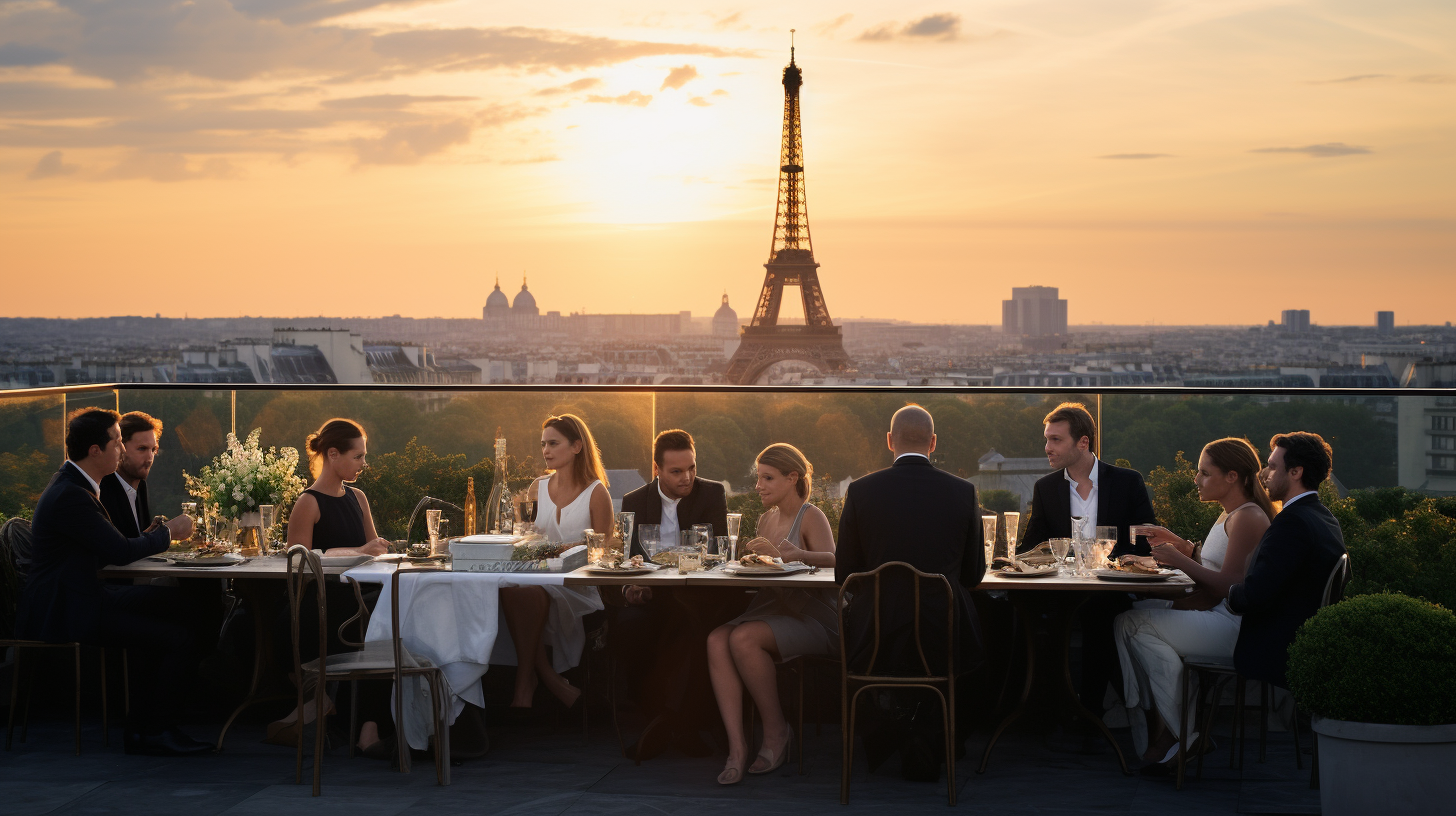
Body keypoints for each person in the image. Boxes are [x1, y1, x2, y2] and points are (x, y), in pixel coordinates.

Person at [16, 407, 206, 756]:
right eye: (118, 442)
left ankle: (148, 723)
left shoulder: (76, 486)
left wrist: (147, 537)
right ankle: (153, 730)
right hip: (68, 609)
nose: (121, 450)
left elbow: (103, 549)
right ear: (95, 450)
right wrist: (168, 533)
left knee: (183, 606)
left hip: (83, 596)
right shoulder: (73, 495)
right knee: (176, 637)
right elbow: (119, 551)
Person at [835, 404, 987, 781]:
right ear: (933, 442)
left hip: (876, 638)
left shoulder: (860, 491)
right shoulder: (963, 492)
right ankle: (935, 736)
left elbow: (845, 574)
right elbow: (973, 573)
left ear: (890, 441)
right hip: (940, 636)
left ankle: (896, 728)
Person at [1112, 438, 1275, 765]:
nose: (1196, 480)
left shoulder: (1249, 517)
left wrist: (1179, 560)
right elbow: (1218, 565)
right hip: (1218, 616)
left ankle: (1170, 728)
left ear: (1231, 476)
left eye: (1204, 473)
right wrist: (1182, 546)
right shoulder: (1230, 514)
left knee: (1130, 624)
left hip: (1233, 628)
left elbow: (1228, 587)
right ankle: (1172, 727)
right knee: (1131, 616)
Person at [1020, 402, 1158, 721]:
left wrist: (1122, 559)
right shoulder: (1046, 488)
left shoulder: (1127, 482)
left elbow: (1145, 538)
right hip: (1061, 592)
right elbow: (1033, 546)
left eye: (1056, 440)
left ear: (1083, 442)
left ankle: (1089, 714)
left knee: (1100, 613)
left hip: (1112, 590)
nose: (1047, 447)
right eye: (1047, 439)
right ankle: (1049, 711)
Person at [708, 443, 837, 785]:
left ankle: (777, 732)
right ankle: (737, 748)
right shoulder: (766, 519)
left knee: (743, 638)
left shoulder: (811, 515)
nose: (758, 486)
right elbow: (767, 571)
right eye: (758, 478)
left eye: (767, 478)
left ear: (792, 477)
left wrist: (796, 554)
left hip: (815, 617)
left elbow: (837, 562)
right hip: (773, 608)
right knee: (716, 639)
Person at [272, 418, 393, 756]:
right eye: (358, 457)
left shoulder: (358, 498)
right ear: (333, 454)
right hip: (323, 601)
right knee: (381, 624)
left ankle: (364, 728)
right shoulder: (308, 502)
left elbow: (375, 551)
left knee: (390, 619)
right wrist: (360, 552)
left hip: (359, 595)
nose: (364, 464)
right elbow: (300, 562)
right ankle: (344, 717)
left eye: (364, 457)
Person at [614, 429, 729, 759]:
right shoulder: (635, 501)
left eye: (691, 468)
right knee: (628, 626)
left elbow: (715, 557)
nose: (687, 477)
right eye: (677, 471)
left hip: (699, 597)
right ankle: (666, 720)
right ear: (657, 469)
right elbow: (631, 559)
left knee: (689, 625)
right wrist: (631, 587)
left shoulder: (711, 494)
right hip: (653, 598)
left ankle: (670, 723)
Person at [504, 414, 611, 709]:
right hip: (538, 575)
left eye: (554, 443)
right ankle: (545, 677)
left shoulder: (596, 491)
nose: (546, 450)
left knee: (522, 594)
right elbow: (524, 538)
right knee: (513, 589)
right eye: (543, 444)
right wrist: (527, 537)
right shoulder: (536, 488)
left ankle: (529, 682)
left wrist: (568, 546)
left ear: (577, 446)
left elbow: (606, 547)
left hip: (577, 583)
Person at [1228, 432, 1347, 689]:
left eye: (1272, 467)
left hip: (1272, 651)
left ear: (1295, 472)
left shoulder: (1292, 523)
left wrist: (1227, 593)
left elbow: (1255, 595)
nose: (1265, 475)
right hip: (1304, 641)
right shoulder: (1324, 517)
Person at [99, 411, 163, 539]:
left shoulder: (140, 485)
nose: (150, 458)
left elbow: (137, 541)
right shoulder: (103, 490)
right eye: (142, 449)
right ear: (120, 448)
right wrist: (167, 532)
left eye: (153, 450)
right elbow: (118, 549)